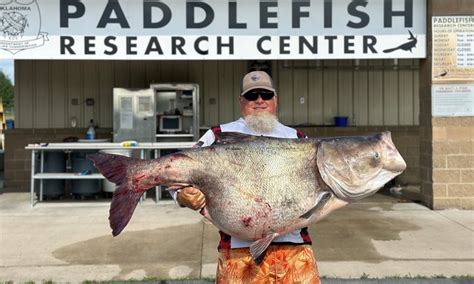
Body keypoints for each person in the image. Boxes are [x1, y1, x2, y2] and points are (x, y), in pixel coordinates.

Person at [175, 70, 320, 283]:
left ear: (275, 100)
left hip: (294, 250)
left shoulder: (297, 138)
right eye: (252, 95)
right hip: (238, 252)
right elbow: (177, 171)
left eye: (266, 94)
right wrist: (181, 195)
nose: (259, 100)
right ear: (241, 100)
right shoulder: (217, 135)